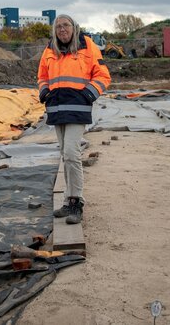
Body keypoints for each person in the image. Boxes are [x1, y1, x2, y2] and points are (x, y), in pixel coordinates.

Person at [37, 14, 111, 224]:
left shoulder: (87, 45)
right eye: (58, 26)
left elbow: (103, 75)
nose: (62, 29)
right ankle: (68, 201)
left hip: (78, 108)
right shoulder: (50, 49)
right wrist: (44, 93)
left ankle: (77, 201)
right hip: (57, 108)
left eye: (66, 25)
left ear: (73, 27)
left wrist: (88, 94)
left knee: (71, 153)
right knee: (64, 155)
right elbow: (42, 76)